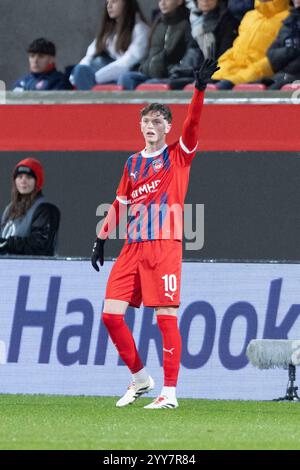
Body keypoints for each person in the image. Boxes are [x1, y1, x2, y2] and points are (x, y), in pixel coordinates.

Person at [91, 58, 219, 409]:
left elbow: (193, 122)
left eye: (157, 121)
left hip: (164, 245)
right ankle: (140, 378)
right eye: (146, 121)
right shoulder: (132, 162)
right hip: (132, 246)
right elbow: (119, 201)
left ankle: (170, 392)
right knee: (110, 315)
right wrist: (102, 237)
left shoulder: (179, 154)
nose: (150, 125)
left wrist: (200, 90)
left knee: (165, 317)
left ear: (167, 127)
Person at [71, 0, 149, 90]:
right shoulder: (109, 31)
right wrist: (77, 74)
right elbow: (90, 55)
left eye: (114, 1)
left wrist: (94, 77)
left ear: (127, 3)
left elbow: (126, 63)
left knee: (124, 77)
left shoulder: (141, 29)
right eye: (107, 2)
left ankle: (96, 101)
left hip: (130, 73)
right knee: (83, 68)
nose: (109, 6)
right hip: (107, 75)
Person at [211, 0, 290, 89]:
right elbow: (235, 51)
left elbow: (272, 62)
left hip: (257, 79)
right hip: (233, 75)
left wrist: (235, 79)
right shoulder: (250, 16)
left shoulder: (288, 19)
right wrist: (215, 72)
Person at [117, 0, 191, 90]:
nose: (162, 3)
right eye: (160, 0)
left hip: (169, 75)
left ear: (179, 1)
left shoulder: (187, 24)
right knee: (126, 78)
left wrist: (172, 70)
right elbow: (151, 51)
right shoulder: (159, 22)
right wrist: (143, 66)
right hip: (150, 72)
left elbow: (189, 56)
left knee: (150, 85)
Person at [168, 0, 238, 89]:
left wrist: (191, 71)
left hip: (214, 73)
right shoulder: (194, 23)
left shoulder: (229, 23)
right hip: (194, 71)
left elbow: (221, 58)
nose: (205, 1)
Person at [0, 158, 60, 256]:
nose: (23, 181)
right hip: (8, 268)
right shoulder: (9, 209)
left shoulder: (46, 209)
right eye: (19, 176)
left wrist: (8, 244)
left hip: (34, 269)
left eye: (29, 177)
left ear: (37, 181)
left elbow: (41, 246)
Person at [263, 0, 300, 89]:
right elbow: (270, 55)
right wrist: (291, 51)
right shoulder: (290, 20)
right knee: (254, 86)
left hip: (293, 76)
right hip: (283, 74)